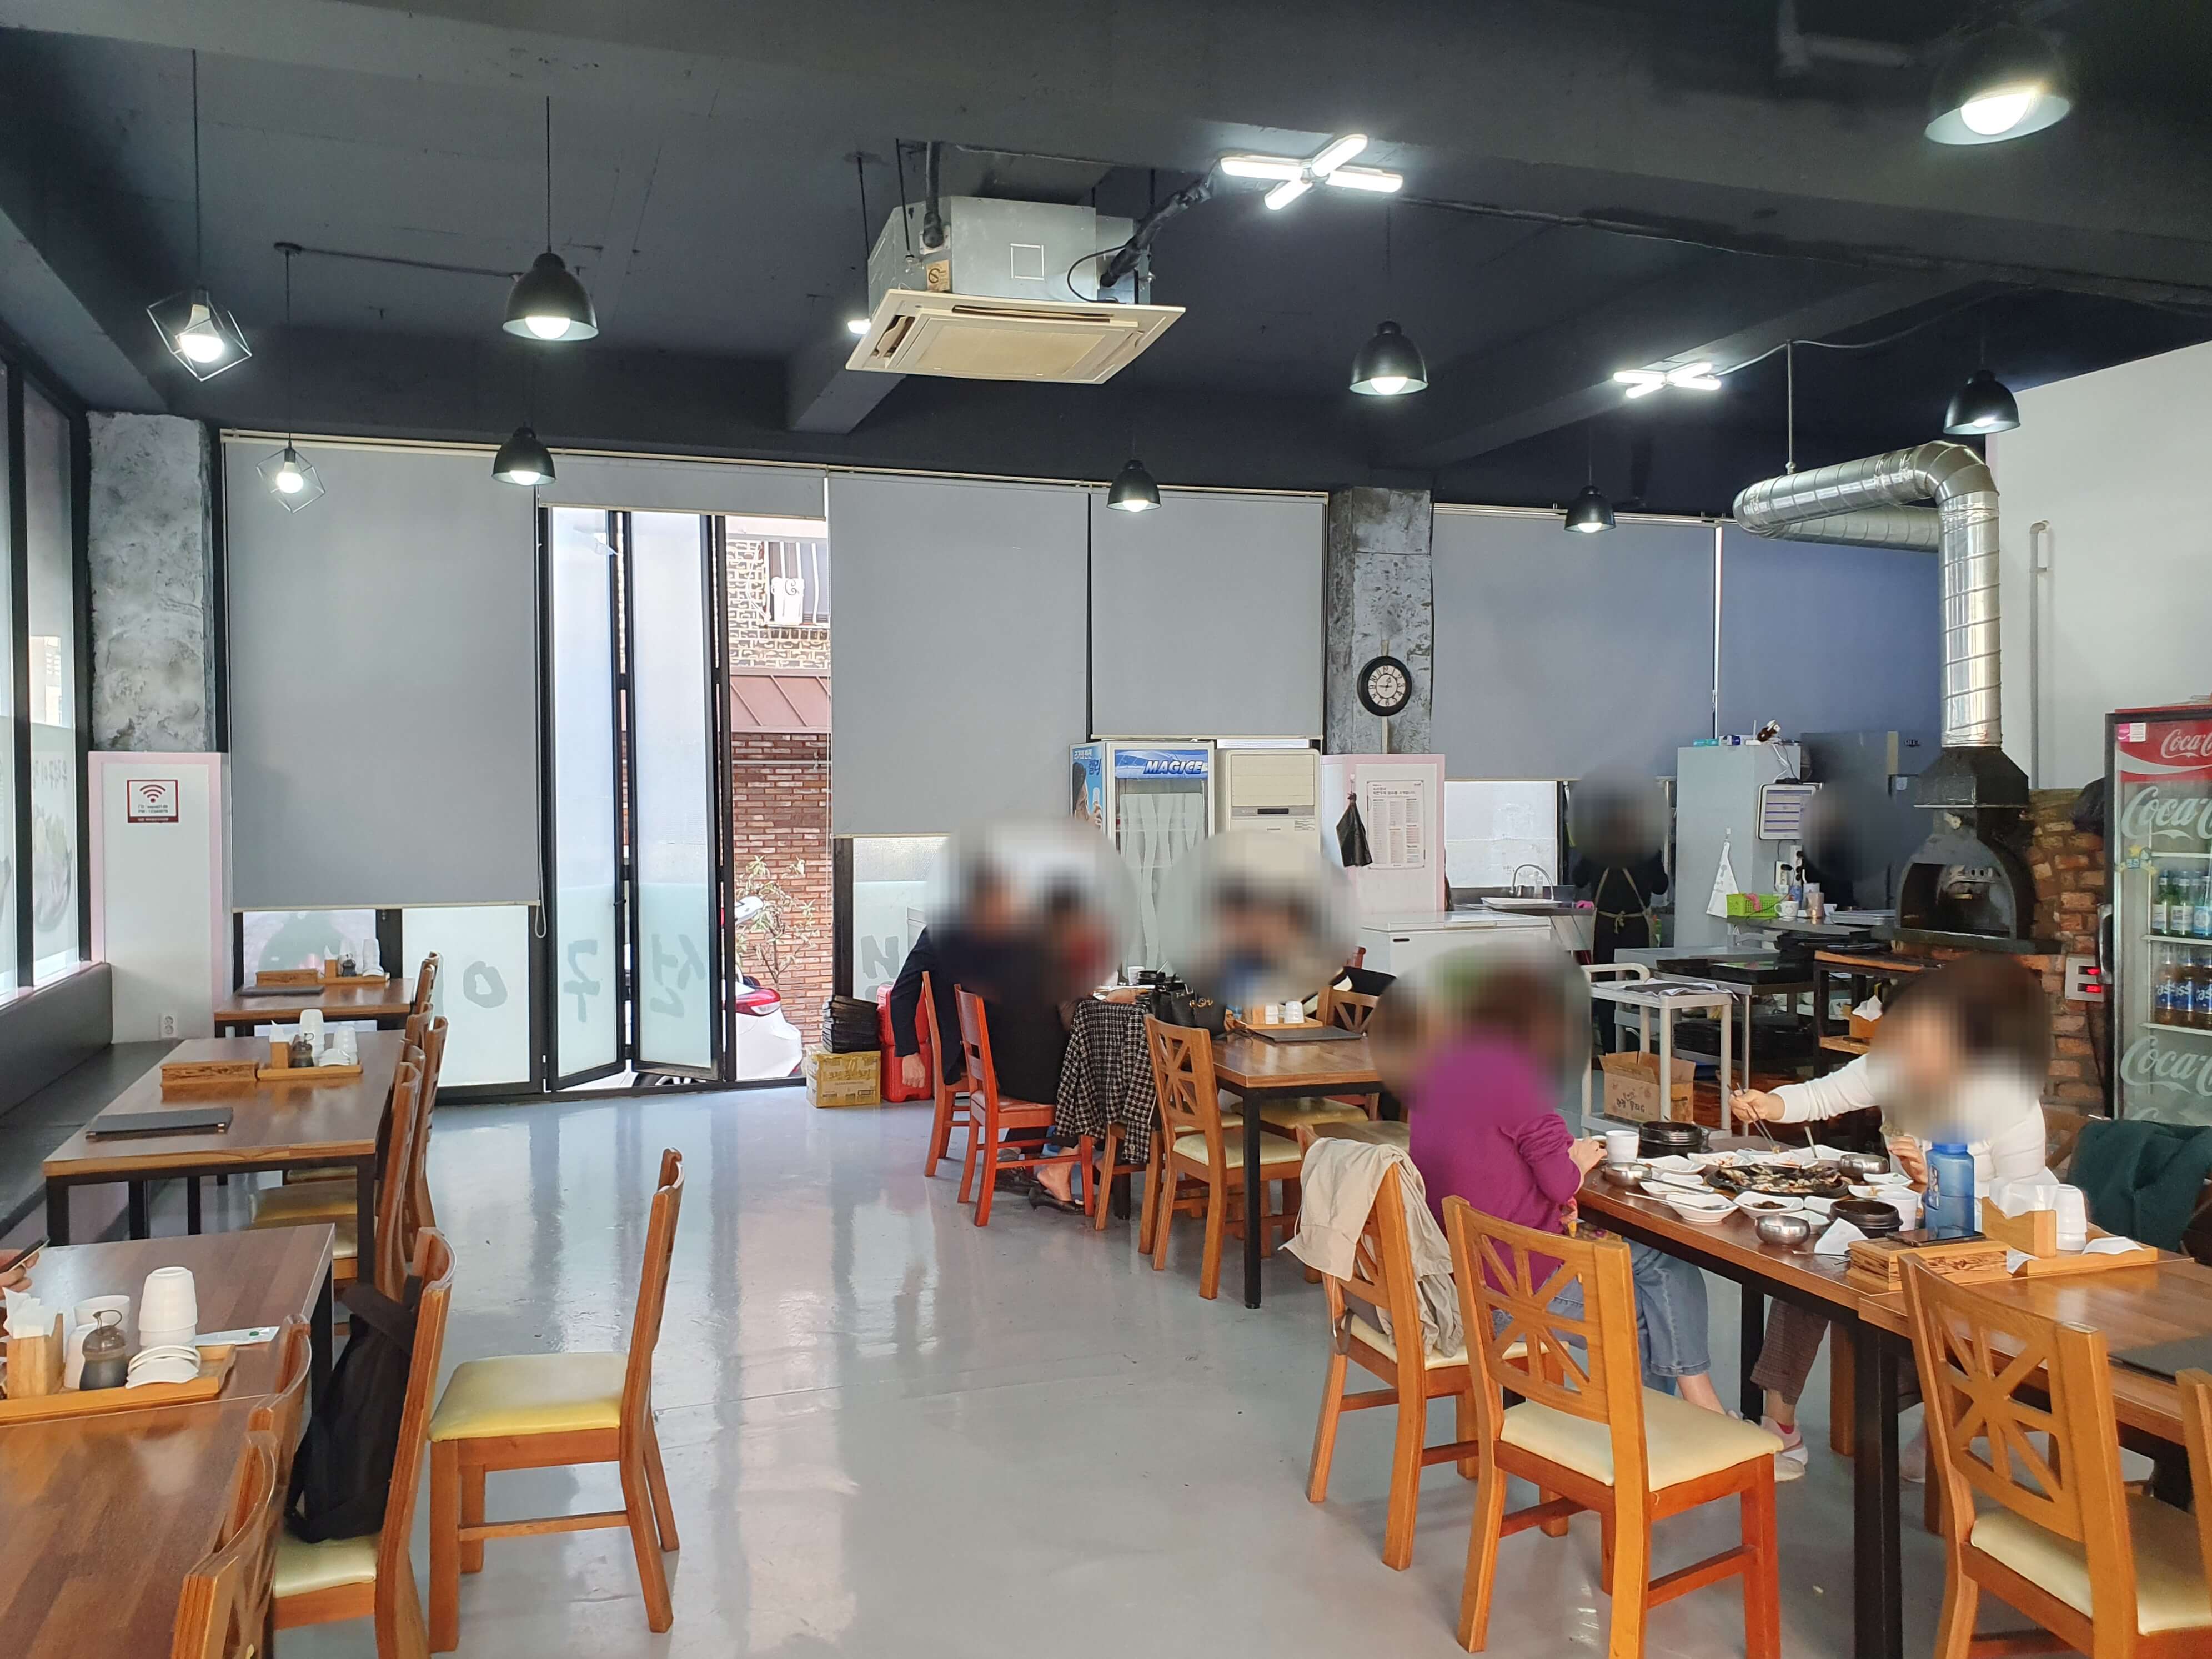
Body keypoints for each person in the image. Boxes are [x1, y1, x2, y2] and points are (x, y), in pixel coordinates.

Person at [1730, 955, 2052, 1478]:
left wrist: (1941, 1185)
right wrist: (1769, 1104)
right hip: (1909, 1223)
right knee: (1808, 1272)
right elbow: (1820, 1095)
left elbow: (2023, 1202)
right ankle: (1779, 1424)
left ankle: (1941, 1426)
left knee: (1927, 1298)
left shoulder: (2007, 1097)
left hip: (1990, 1243)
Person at [1410, 961, 1728, 1412]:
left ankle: (1694, 1408)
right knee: (1650, 1306)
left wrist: (1554, 1185)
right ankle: (1670, 1425)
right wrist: (1574, 1166)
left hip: (1456, 1272)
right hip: (1509, 1285)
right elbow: (1559, 1182)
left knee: (1664, 1265)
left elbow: (1486, 1166)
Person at [1571, 799, 1669, 1052]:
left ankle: (1611, 1052)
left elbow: (1578, 879)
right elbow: (1661, 886)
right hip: (1636, 928)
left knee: (1605, 987)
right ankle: (1636, 1049)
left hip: (1606, 927)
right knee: (1638, 985)